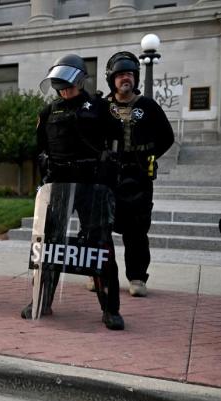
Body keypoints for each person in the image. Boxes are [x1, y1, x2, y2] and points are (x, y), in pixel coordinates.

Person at [21, 54, 124, 330]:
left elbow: (118, 138)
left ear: (79, 79)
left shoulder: (101, 107)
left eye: (66, 83)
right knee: (48, 244)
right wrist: (43, 164)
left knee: (100, 244)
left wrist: (110, 167)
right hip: (59, 185)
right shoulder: (48, 112)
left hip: (91, 185)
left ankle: (110, 308)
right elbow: (39, 146)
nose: (62, 89)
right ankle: (41, 300)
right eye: (58, 84)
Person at [103, 51, 174, 297]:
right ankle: (102, 275)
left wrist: (148, 156)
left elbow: (167, 137)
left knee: (137, 232)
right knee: (101, 228)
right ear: (111, 79)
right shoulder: (102, 107)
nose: (126, 79)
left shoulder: (148, 106)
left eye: (130, 75)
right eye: (121, 75)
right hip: (108, 178)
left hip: (139, 179)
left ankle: (136, 278)